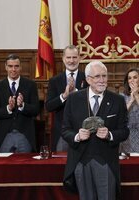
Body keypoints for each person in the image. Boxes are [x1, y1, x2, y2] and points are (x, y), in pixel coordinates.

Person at [62, 60, 129, 200]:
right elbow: (65, 130)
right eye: (97, 76)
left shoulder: (117, 100)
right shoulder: (74, 99)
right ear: (88, 79)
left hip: (106, 161)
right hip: (81, 160)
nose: (102, 80)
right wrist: (77, 136)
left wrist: (110, 134)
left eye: (104, 76)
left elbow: (124, 131)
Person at [0, 54, 39, 153]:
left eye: (16, 66)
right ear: (5, 67)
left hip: (25, 134)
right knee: (4, 166)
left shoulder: (30, 85)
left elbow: (36, 110)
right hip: (4, 135)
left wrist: (22, 106)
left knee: (24, 166)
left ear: (20, 67)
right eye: (10, 66)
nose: (13, 69)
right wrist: (8, 108)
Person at [45, 45, 88, 152]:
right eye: (68, 58)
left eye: (74, 57)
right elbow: (49, 106)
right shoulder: (54, 81)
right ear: (63, 59)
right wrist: (64, 96)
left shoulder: (88, 78)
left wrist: (76, 93)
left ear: (79, 58)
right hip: (62, 132)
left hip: (84, 131)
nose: (71, 61)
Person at [120, 68, 139, 153]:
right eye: (129, 78)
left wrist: (136, 95)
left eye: (135, 77)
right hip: (127, 134)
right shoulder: (122, 96)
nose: (132, 80)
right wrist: (131, 100)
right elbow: (120, 115)